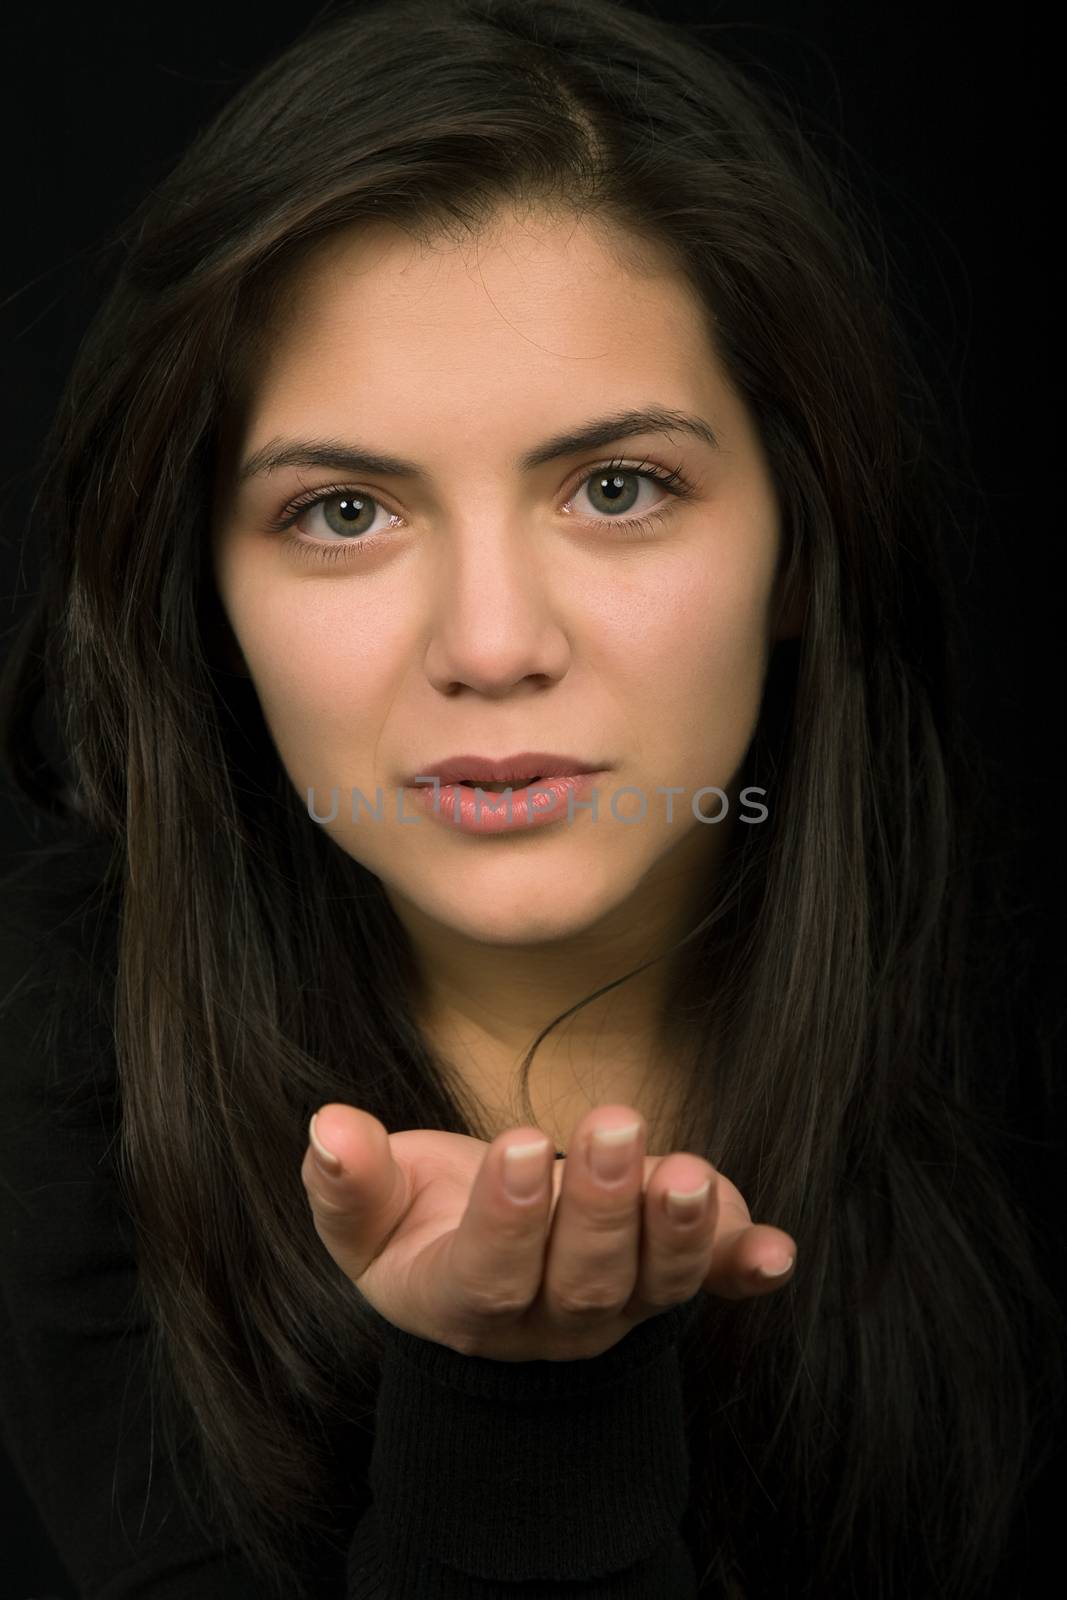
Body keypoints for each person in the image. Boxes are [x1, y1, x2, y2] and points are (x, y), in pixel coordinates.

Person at [0, 0, 1060, 1595]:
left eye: (617, 490)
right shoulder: (59, 1053)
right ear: (200, 589)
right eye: (345, 510)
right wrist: (511, 1417)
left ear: (800, 533)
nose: (493, 647)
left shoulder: (1018, 1011)